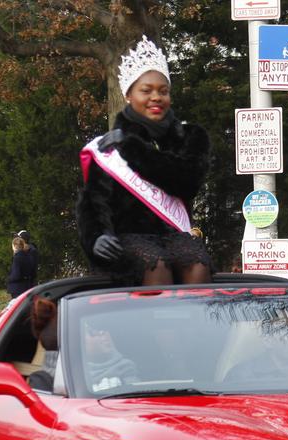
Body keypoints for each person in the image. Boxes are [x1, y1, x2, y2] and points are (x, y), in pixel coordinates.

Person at [76, 35, 212, 286]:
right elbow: (94, 202)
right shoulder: (105, 148)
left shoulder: (190, 135)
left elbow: (186, 182)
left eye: (163, 91)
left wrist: (131, 146)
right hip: (128, 237)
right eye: (146, 90)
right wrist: (95, 237)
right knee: (155, 265)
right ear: (128, 95)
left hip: (174, 236)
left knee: (197, 263)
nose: (156, 97)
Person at [84, 324, 140, 392]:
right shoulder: (74, 378)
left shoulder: (126, 368)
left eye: (105, 330)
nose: (103, 334)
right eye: (93, 332)